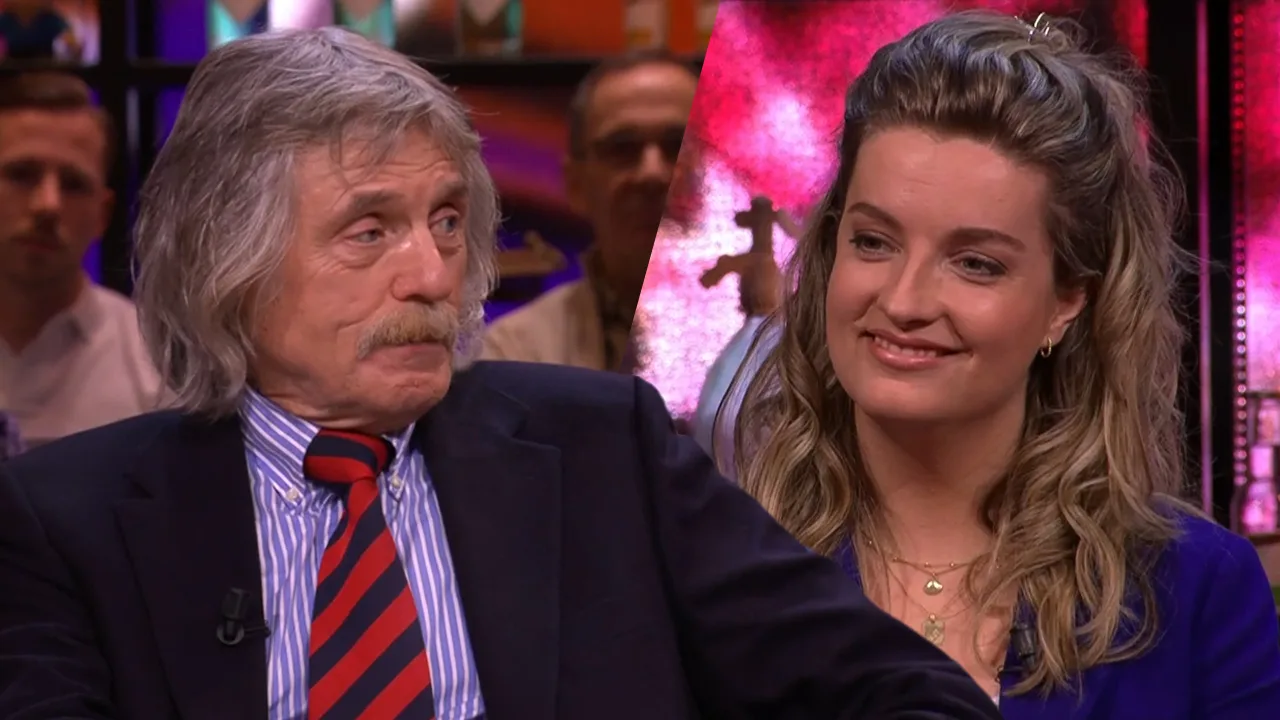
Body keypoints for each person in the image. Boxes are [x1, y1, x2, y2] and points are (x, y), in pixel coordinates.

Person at [0, 28, 1004, 720]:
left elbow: (903, 692)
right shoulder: (64, 522)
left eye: (446, 221)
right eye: (369, 230)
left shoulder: (607, 452)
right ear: (231, 260)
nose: (433, 273)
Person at [718, 10, 1280, 718]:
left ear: (1067, 301)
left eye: (975, 263)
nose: (904, 300)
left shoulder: (1197, 591)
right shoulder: (718, 567)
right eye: (873, 242)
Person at [479, 52, 698, 373]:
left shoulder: (773, 337)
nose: (652, 173)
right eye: (622, 148)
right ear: (577, 185)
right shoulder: (513, 353)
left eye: (679, 144)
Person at [0, 72, 164, 448]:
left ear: (103, 215)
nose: (47, 205)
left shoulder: (159, 368)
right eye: (22, 175)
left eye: (73, 184)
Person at [0, 0, 81, 61]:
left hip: (44, 67)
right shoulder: (6, 19)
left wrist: (72, 46)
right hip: (12, 68)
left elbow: (70, 39)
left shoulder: (49, 19)